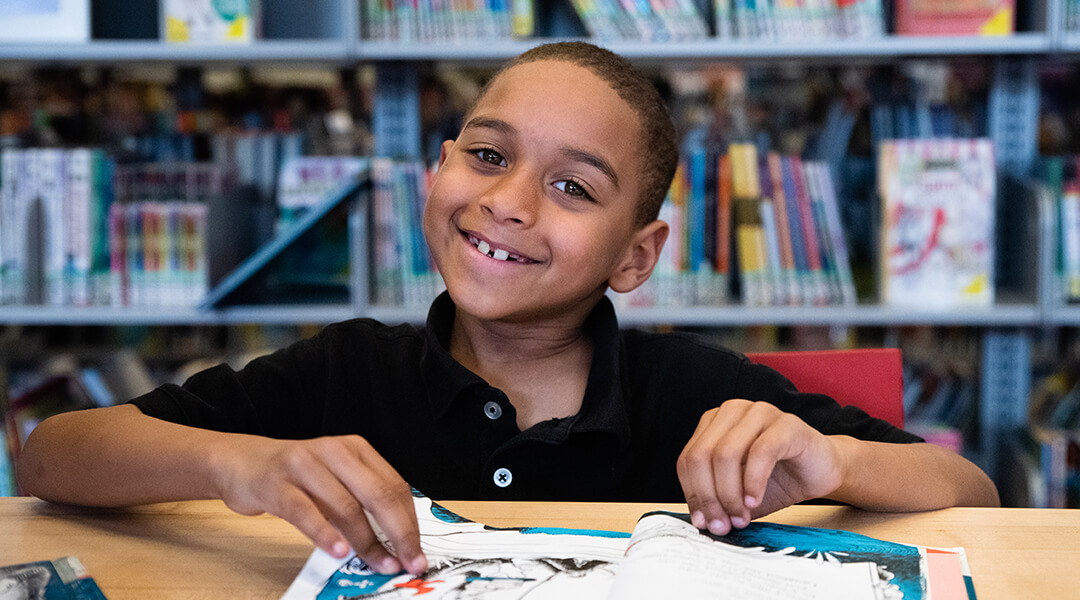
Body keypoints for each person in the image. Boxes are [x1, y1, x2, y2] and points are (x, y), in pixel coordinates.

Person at [16, 42, 999, 580]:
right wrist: (238, 462)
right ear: (436, 168)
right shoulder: (343, 373)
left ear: (636, 255)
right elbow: (51, 453)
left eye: (575, 189)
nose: (511, 203)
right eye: (487, 157)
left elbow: (974, 492)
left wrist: (834, 461)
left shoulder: (690, 391)